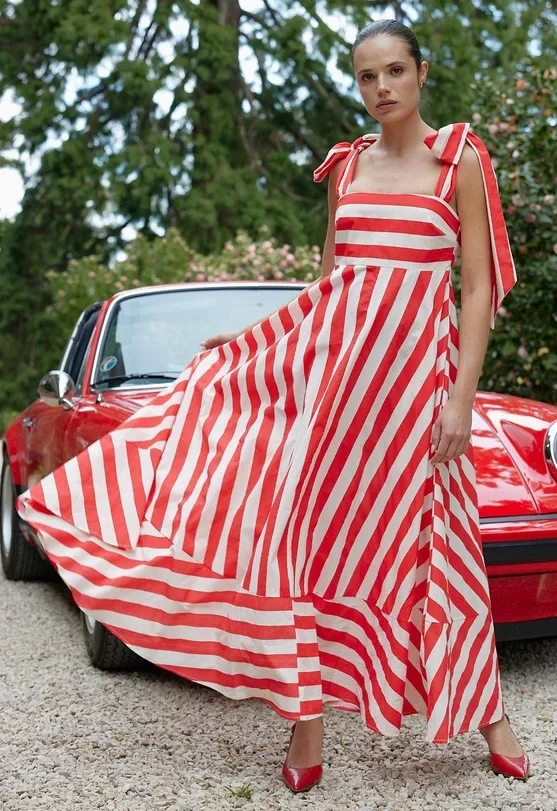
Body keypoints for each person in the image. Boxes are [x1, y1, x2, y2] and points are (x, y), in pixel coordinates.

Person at [16, 18, 530, 795]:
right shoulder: (347, 169)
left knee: (443, 546)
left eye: (394, 71)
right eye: (366, 76)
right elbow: (327, 290)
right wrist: (254, 340)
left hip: (418, 392)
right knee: (313, 544)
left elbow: (479, 288)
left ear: (422, 73)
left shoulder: (457, 158)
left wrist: (461, 398)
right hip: (341, 393)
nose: (381, 88)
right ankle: (308, 719)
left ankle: (490, 716)